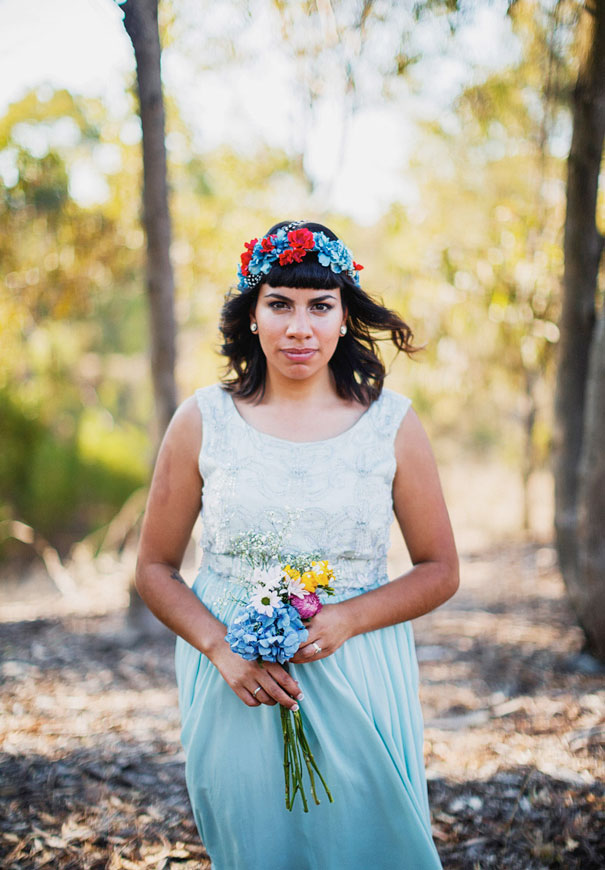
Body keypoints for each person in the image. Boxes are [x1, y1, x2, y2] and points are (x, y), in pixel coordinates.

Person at [135, 220, 459, 870]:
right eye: (278, 303)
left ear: (344, 316)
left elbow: (440, 568)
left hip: (359, 665)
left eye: (319, 305)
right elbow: (153, 568)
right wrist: (222, 649)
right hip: (234, 678)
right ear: (251, 315)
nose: (298, 327)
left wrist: (345, 619)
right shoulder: (203, 420)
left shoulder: (390, 424)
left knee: (373, 848)